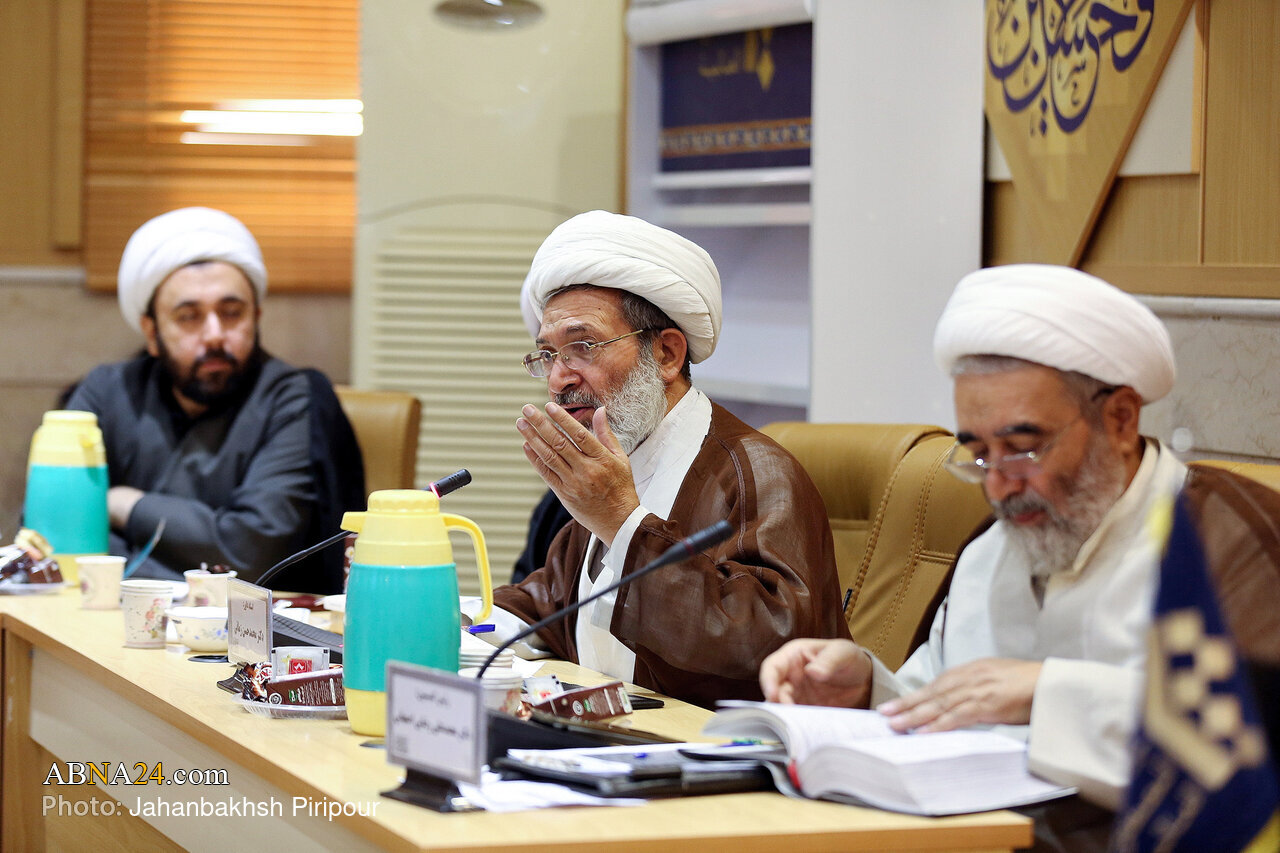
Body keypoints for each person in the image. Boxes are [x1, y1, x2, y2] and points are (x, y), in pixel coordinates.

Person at [759, 264, 1280, 819]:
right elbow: (948, 697)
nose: (998, 486)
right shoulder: (996, 545)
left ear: (1121, 420)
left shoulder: (1227, 540)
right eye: (980, 455)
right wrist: (866, 689)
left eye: (1024, 448)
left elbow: (1244, 750)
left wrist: (1044, 694)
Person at [479, 210, 848, 708]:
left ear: (667, 355)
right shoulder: (618, 461)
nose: (559, 378)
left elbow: (769, 646)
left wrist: (622, 521)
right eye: (548, 355)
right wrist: (446, 621)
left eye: (582, 347)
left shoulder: (756, 474)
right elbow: (547, 605)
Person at [65, 207, 364, 590]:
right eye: (189, 316)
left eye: (231, 313)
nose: (214, 335)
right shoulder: (106, 392)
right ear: (152, 332)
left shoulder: (293, 398)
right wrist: (196, 559)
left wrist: (127, 506)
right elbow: (56, 530)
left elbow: (250, 553)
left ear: (256, 316)